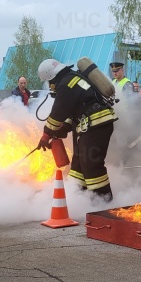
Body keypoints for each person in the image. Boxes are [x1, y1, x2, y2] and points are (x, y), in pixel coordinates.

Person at [37, 58, 117, 202]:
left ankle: (104, 203)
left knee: (91, 164)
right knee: (78, 164)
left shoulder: (66, 84)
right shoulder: (71, 78)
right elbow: (73, 110)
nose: (51, 86)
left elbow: (58, 114)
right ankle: (79, 199)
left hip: (97, 124)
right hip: (91, 125)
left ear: (51, 77)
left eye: (49, 82)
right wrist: (63, 129)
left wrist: (46, 135)